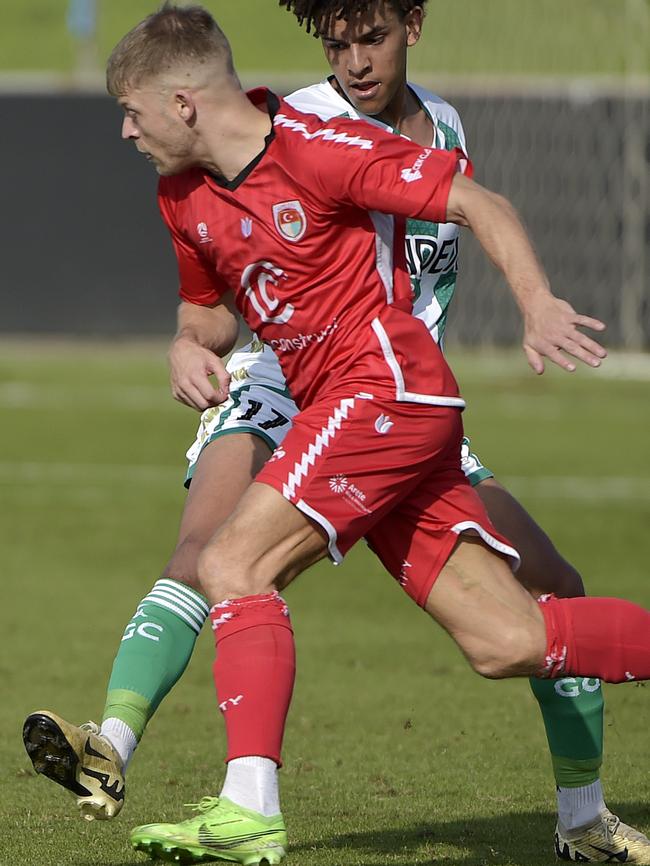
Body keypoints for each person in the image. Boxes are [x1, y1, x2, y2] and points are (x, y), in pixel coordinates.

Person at [22, 4, 650, 865]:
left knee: (233, 562)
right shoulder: (182, 194)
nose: (124, 132)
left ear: (184, 103)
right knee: (507, 641)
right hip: (322, 396)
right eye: (338, 41)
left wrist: (537, 302)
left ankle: (248, 808)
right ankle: (128, 750)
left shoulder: (318, 144)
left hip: (382, 388)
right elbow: (205, 312)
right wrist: (183, 344)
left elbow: (474, 199)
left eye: (132, 114)